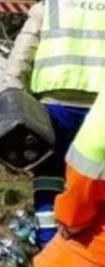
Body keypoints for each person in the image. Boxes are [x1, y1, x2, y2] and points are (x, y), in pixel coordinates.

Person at [4, 0, 105, 249]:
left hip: (55, 106)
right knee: (94, 179)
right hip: (101, 111)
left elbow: (22, 52)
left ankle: (48, 242)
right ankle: (86, 246)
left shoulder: (49, 6)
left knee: (48, 173)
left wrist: (11, 92)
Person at [34, 87, 105, 266]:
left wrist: (71, 218)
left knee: (48, 172)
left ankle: (44, 237)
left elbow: (92, 153)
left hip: (90, 251)